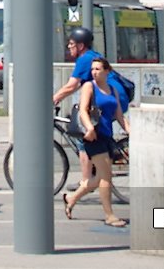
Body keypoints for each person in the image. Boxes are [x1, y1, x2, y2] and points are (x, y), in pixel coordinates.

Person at [62, 57, 130, 226]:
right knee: (106, 177)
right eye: (92, 69)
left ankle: (71, 198)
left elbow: (119, 115)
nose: (94, 72)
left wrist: (130, 131)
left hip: (107, 136)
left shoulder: (112, 90)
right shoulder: (89, 86)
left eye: (98, 69)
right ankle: (109, 215)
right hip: (93, 137)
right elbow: (83, 110)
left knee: (99, 177)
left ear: (107, 71)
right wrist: (89, 128)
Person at [53, 27, 99, 184]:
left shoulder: (85, 59)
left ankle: (86, 182)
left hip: (100, 103)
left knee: (82, 140)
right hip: (106, 101)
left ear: (81, 46)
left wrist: (53, 99)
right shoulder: (93, 56)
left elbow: (71, 85)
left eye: (71, 44)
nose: (69, 46)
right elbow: (78, 85)